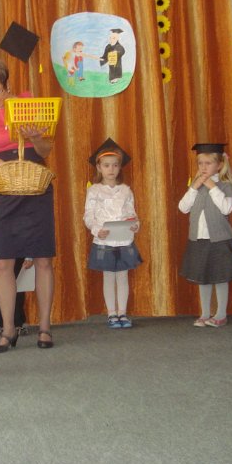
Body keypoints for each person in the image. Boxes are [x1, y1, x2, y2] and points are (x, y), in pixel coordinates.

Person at [0, 58, 56, 352]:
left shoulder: (28, 103)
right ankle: (8, 330)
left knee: (43, 259)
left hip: (35, 181)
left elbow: (45, 150)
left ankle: (45, 327)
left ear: (7, 85)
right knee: (3, 261)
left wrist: (36, 137)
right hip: (4, 185)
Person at [178, 143, 232, 327]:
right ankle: (205, 313)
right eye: (200, 163)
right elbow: (183, 207)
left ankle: (221, 314)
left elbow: (226, 208)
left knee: (220, 276)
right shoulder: (195, 185)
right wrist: (194, 187)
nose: (203, 167)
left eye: (208, 163)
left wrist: (212, 186)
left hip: (219, 240)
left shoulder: (225, 185)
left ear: (219, 165)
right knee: (203, 277)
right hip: (199, 240)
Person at [84, 139, 142, 329]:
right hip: (104, 240)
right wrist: (97, 230)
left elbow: (132, 214)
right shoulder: (94, 191)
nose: (111, 169)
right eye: (107, 165)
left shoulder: (125, 190)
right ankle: (111, 314)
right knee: (109, 276)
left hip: (123, 239)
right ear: (99, 167)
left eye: (115, 165)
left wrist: (135, 225)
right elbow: (88, 216)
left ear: (120, 167)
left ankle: (122, 313)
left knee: (122, 276)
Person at [0, 203, 31, 336]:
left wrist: (29, 254)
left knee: (19, 286)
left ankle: (18, 322)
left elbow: (28, 229)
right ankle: (2, 324)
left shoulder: (21, 203)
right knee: (0, 287)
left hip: (19, 247)